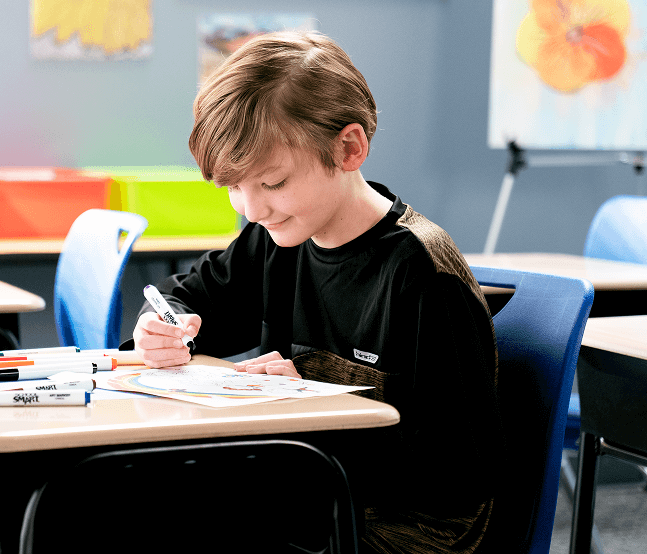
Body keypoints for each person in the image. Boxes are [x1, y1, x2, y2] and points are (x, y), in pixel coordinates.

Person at [125, 31, 504, 554]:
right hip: (312, 481)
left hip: (412, 524)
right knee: (127, 501)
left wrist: (310, 404)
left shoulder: (421, 275)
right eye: (234, 187)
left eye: (273, 183)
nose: (251, 209)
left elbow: (452, 470)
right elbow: (185, 297)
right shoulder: (275, 237)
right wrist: (161, 330)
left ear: (348, 148)